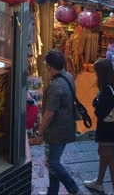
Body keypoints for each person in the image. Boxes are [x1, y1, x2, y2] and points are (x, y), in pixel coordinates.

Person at [36, 50, 83, 195]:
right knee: (53, 161)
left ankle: (74, 189)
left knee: (53, 163)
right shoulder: (68, 76)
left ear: (50, 66)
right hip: (66, 126)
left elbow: (50, 113)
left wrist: (40, 132)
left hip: (56, 131)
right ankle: (53, 192)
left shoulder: (55, 86)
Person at [83, 58, 114, 195]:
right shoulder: (113, 86)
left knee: (110, 158)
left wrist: (96, 104)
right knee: (103, 154)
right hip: (113, 129)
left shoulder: (107, 90)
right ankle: (99, 182)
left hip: (108, 130)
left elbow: (100, 112)